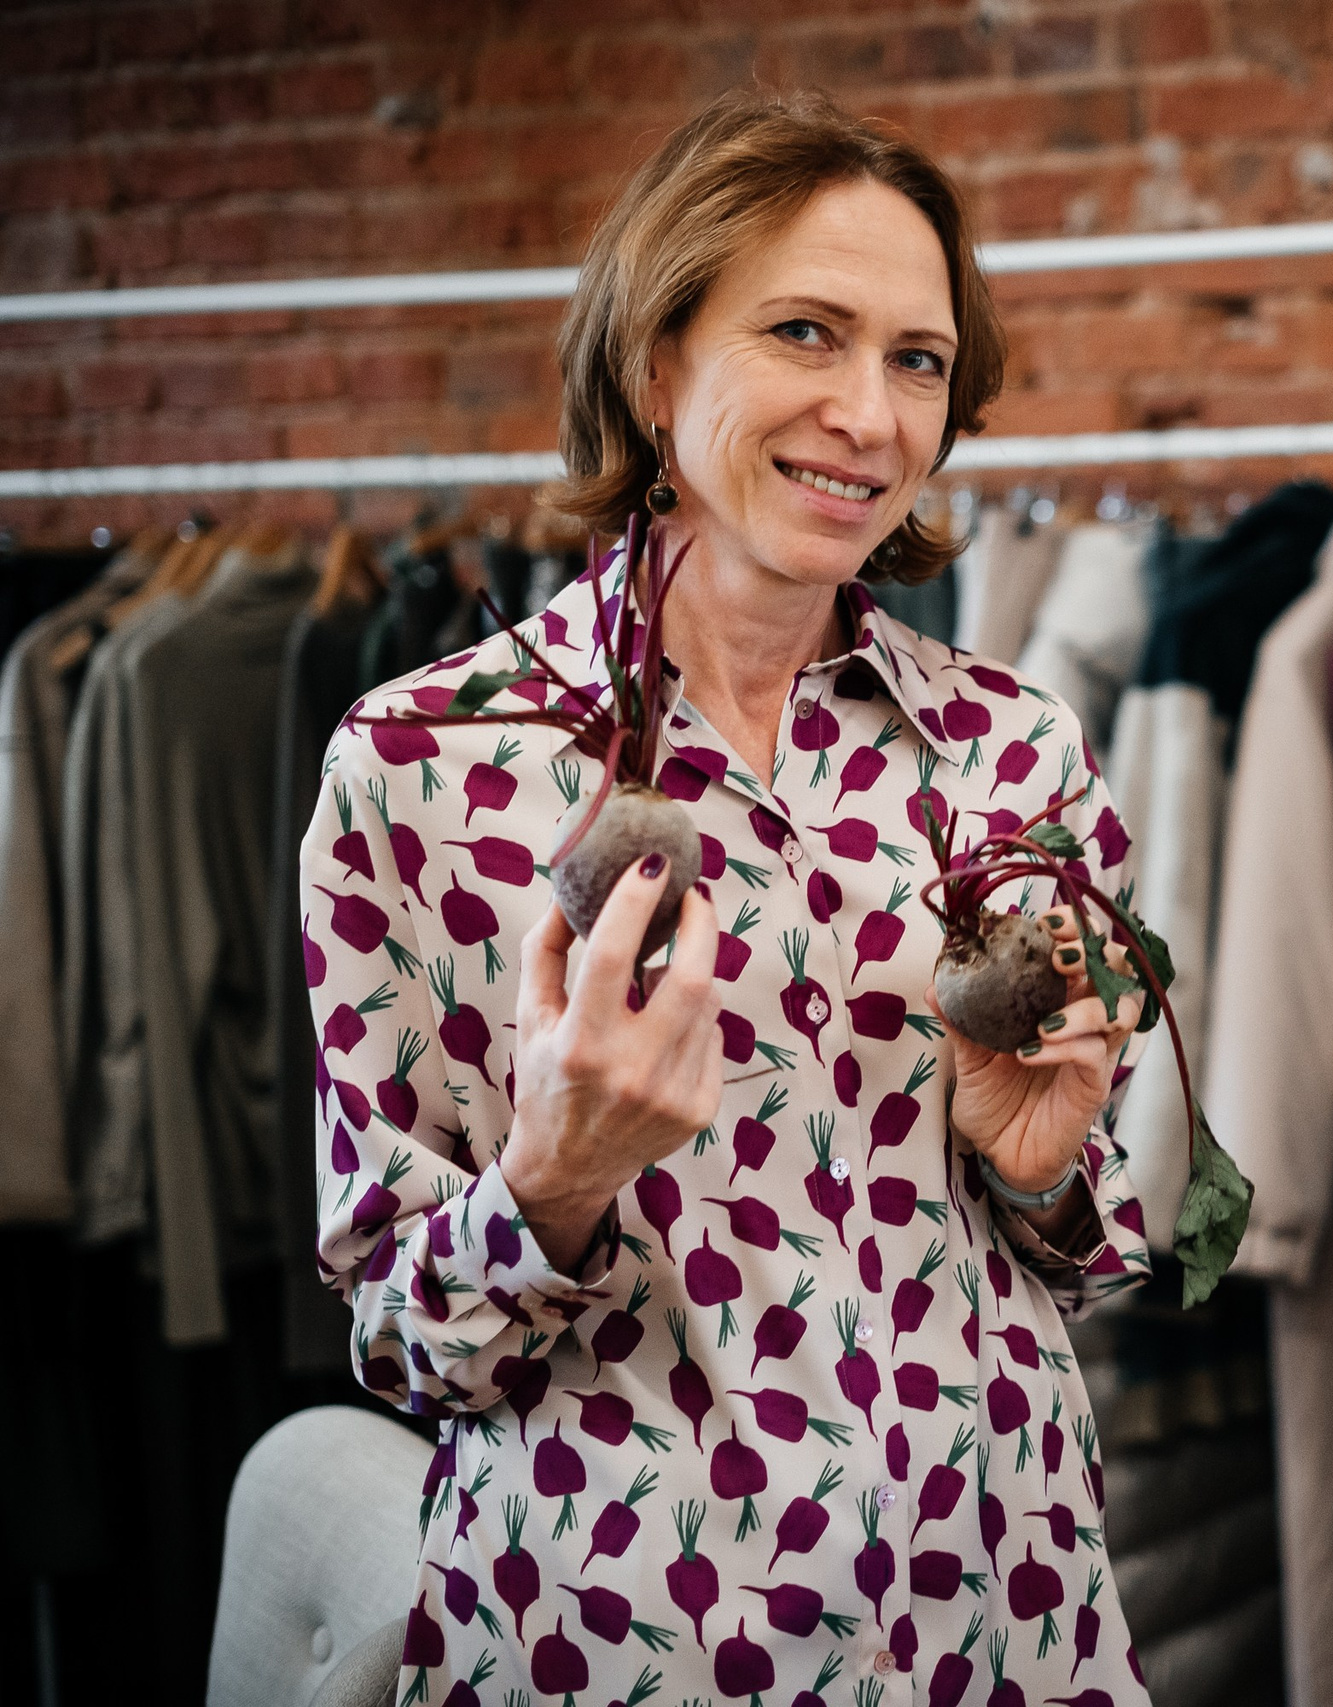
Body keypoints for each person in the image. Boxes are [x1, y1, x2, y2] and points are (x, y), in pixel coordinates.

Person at [305, 91, 1157, 1703]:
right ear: (656, 364)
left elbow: (1105, 1249)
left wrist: (1042, 1180)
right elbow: (406, 1349)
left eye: (917, 360)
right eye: (805, 333)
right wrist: (547, 1182)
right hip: (631, 1639)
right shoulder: (421, 768)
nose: (869, 413)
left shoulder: (1012, 746)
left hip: (1003, 1617)